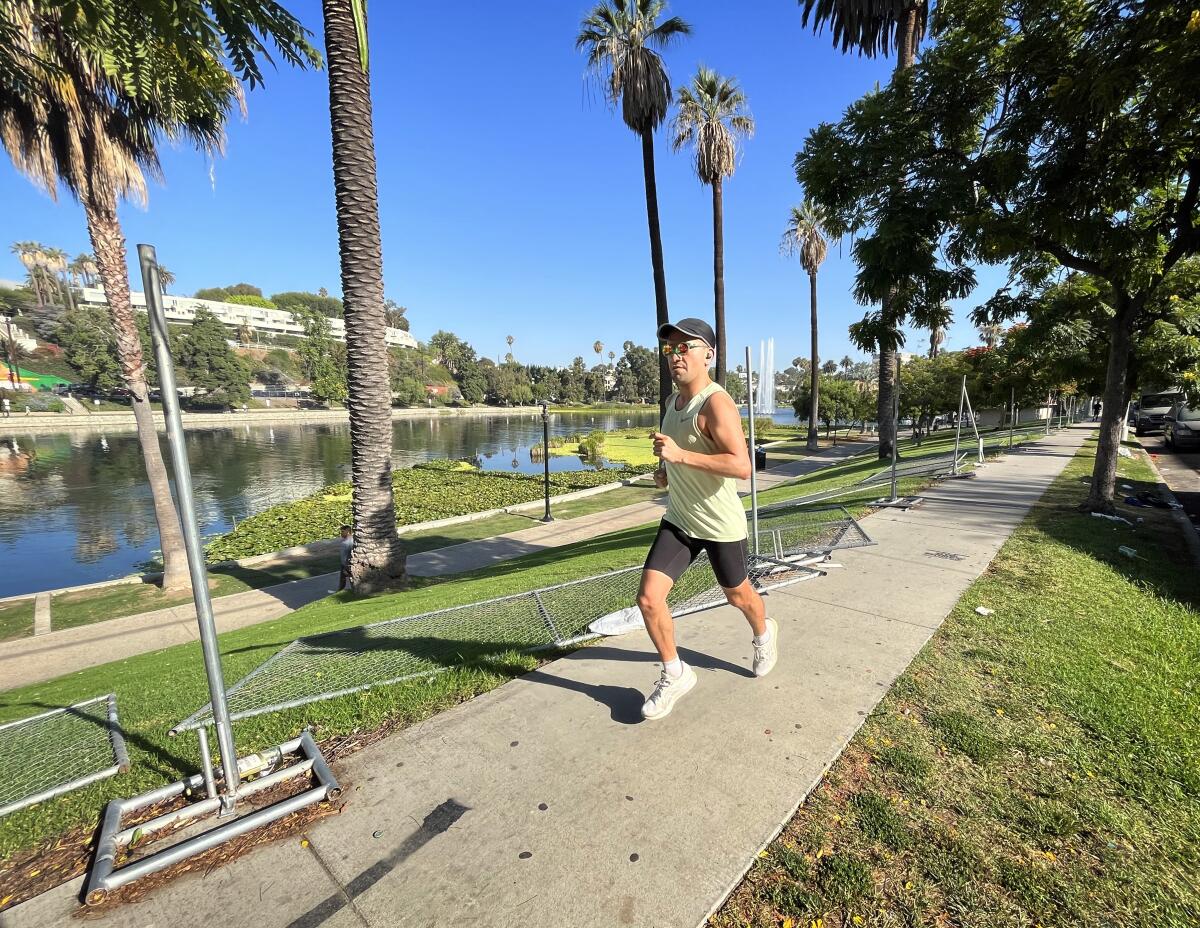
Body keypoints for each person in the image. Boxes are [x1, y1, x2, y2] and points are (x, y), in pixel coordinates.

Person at [637, 317, 778, 722]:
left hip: (719, 525)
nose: (675, 356)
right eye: (670, 349)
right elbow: (679, 459)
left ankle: (764, 633)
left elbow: (741, 466)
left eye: (686, 347)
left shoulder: (716, 403)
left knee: (738, 596)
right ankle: (674, 673)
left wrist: (680, 456)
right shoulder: (671, 404)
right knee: (648, 598)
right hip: (680, 519)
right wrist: (667, 472)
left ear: (709, 355)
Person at [336, 524, 354, 592]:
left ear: (348, 532)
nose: (341, 533)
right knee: (344, 578)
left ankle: (340, 590)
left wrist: (345, 564)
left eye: (343, 531)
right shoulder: (350, 540)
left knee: (346, 578)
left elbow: (346, 555)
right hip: (347, 562)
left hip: (346, 563)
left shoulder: (347, 543)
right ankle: (340, 590)